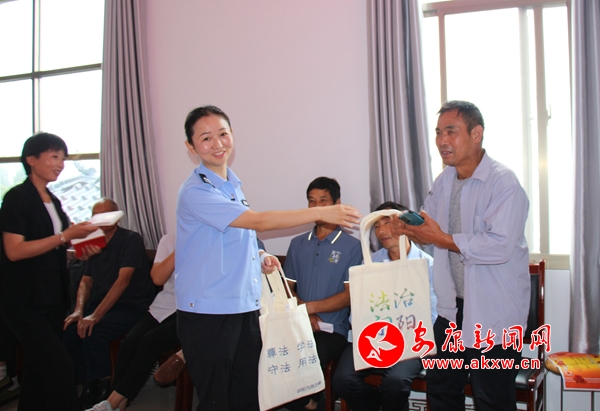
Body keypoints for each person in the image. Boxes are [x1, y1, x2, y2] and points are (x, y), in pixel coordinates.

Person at [176, 105, 361, 411]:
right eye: (206, 138)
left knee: (250, 396)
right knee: (216, 400)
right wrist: (322, 212)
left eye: (223, 134)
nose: (217, 143)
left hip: (243, 307)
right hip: (209, 311)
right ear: (191, 146)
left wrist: (260, 255)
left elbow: (237, 235)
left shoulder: (232, 186)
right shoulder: (196, 191)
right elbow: (258, 222)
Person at [392, 101, 530, 411]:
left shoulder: (503, 183)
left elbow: (499, 246)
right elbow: (429, 226)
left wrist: (440, 238)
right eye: (438, 132)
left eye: (451, 132)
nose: (442, 140)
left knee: (491, 398)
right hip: (451, 310)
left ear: (476, 134)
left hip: (494, 314)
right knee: (441, 391)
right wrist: (407, 227)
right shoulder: (444, 180)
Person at [0, 132, 100, 411]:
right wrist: (65, 236)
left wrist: (83, 248)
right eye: (54, 156)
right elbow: (14, 251)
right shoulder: (16, 198)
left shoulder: (53, 200)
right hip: (22, 299)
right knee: (60, 368)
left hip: (52, 296)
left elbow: (62, 244)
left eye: (63, 159)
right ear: (31, 159)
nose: (60, 164)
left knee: (36, 371)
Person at [332, 202, 437, 411]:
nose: (381, 231)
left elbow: (433, 316)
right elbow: (358, 311)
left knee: (395, 382)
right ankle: (376, 405)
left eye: (387, 223)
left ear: (404, 225)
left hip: (412, 340)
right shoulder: (369, 264)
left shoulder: (427, 265)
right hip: (375, 336)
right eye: (377, 226)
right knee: (342, 380)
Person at [63, 199, 155, 409]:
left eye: (106, 214)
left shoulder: (131, 239)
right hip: (102, 303)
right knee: (71, 329)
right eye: (96, 215)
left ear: (116, 217)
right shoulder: (93, 241)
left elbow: (123, 281)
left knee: (95, 330)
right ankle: (87, 384)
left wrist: (95, 316)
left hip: (131, 305)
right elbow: (86, 281)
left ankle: (104, 386)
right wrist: (78, 311)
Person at [283, 176, 363, 411]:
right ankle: (309, 404)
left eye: (323, 200)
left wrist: (310, 308)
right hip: (297, 325)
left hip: (332, 331)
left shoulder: (352, 246)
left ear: (337, 204)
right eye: (312, 201)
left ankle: (311, 404)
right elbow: (286, 288)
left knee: (304, 358)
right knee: (268, 355)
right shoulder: (297, 244)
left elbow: (349, 295)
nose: (316, 206)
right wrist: (304, 313)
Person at [84, 233, 177, 411]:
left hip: (194, 311)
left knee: (150, 341)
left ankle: (111, 403)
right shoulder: (170, 240)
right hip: (165, 304)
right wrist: (183, 245)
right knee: (129, 343)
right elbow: (158, 278)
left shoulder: (211, 241)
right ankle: (119, 404)